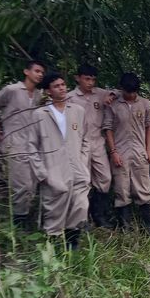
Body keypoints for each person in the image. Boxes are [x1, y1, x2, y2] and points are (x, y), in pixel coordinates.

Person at [0, 59, 46, 229]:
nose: (40, 75)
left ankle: (25, 219)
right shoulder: (12, 90)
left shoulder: (39, 95)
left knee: (32, 185)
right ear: (26, 72)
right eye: (37, 71)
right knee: (21, 186)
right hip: (14, 144)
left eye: (42, 73)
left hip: (32, 146)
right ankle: (18, 225)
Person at [30, 72, 91, 250]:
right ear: (48, 91)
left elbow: (86, 139)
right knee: (54, 211)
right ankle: (54, 250)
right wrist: (42, 173)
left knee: (80, 206)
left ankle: (73, 244)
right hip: (53, 169)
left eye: (63, 84)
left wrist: (83, 162)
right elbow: (31, 146)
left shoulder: (78, 111)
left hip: (77, 168)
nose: (62, 88)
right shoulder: (39, 114)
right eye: (56, 86)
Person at [103, 72, 150, 235]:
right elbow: (108, 129)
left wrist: (148, 149)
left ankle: (148, 227)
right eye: (128, 92)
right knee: (121, 189)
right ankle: (125, 227)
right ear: (122, 89)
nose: (131, 95)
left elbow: (148, 127)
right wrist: (113, 152)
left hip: (140, 152)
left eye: (134, 92)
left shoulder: (145, 104)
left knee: (144, 189)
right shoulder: (113, 104)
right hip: (121, 153)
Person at [66, 64, 116, 227]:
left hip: (97, 142)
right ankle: (82, 218)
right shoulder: (70, 97)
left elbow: (120, 91)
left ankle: (99, 214)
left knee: (105, 178)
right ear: (78, 78)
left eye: (93, 79)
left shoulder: (100, 94)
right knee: (82, 181)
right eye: (87, 79)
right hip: (78, 144)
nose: (90, 83)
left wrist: (112, 95)